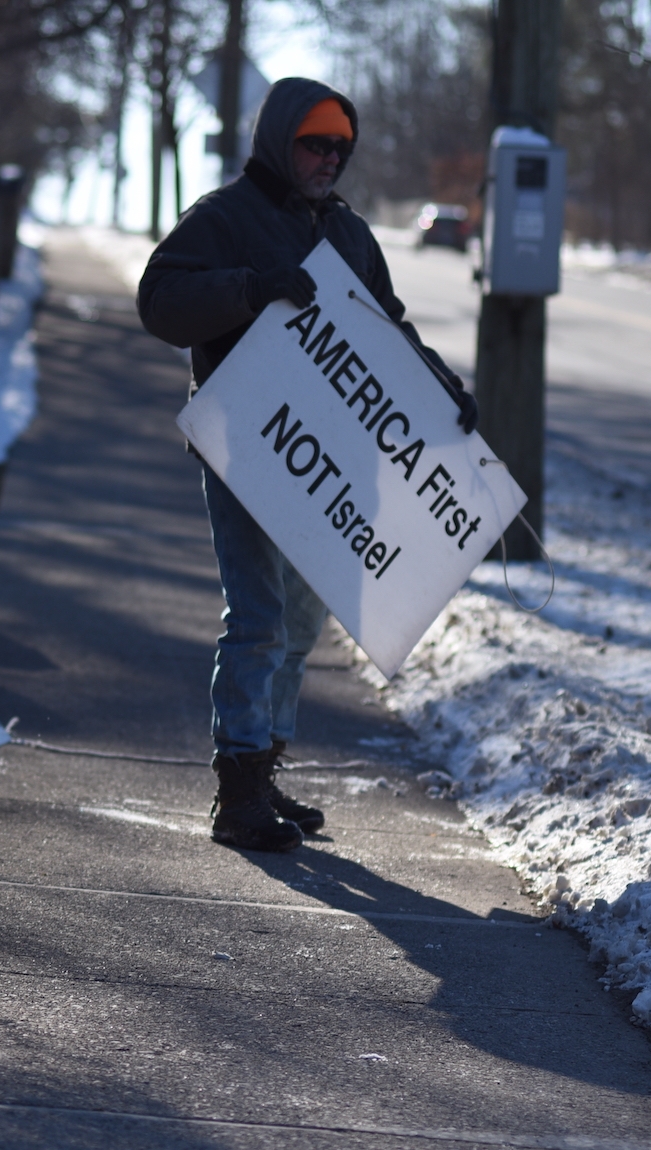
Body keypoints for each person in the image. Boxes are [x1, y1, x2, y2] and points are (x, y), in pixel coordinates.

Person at [137, 78, 477, 853]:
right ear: (279, 140)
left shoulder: (351, 235)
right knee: (256, 618)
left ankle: (268, 767)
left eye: (340, 148)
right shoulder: (224, 219)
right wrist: (251, 290)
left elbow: (386, 330)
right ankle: (238, 791)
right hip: (244, 446)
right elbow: (160, 300)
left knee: (298, 621)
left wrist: (439, 388)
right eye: (314, 143)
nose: (329, 159)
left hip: (328, 461)